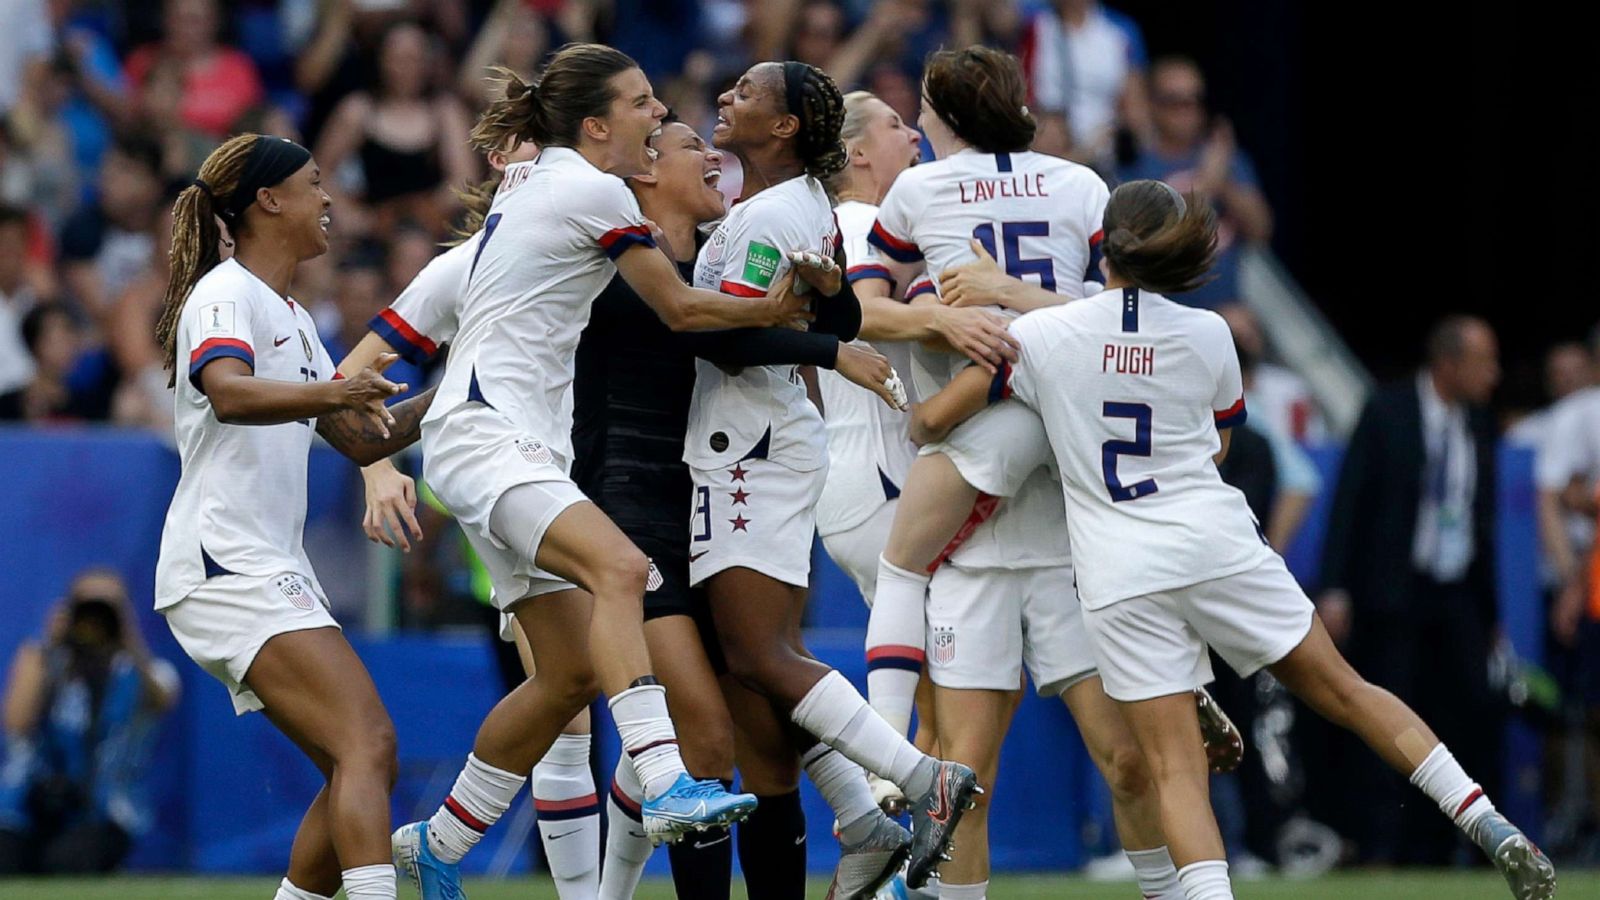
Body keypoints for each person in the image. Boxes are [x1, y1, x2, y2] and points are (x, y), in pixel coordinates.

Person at [910, 179, 1552, 900]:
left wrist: (935, 351)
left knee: (1175, 771)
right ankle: (1483, 814)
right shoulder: (1211, 332)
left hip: (1121, 570)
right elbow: (1215, 442)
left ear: (1104, 250)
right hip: (1217, 542)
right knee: (1346, 688)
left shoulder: (1039, 339)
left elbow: (933, 420)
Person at [387, 43, 823, 900]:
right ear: (596, 129)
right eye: (646, 107)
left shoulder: (538, 215)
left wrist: (365, 436)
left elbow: (391, 343)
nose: (662, 121)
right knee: (626, 584)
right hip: (527, 460)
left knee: (571, 683)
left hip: (545, 461)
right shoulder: (590, 200)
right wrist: (809, 324)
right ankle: (663, 785)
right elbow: (686, 311)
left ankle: (437, 840)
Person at [852, 46, 1236, 900]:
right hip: (1035, 493)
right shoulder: (1078, 184)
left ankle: (878, 754)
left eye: (923, 107)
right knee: (1021, 773)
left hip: (1033, 496)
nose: (917, 125)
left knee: (1046, 767)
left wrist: (948, 327)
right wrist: (995, 323)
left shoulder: (926, 189)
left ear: (946, 112)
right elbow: (1124, 318)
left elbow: (862, 309)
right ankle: (1184, 677)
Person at [685, 57, 982, 900]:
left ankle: (921, 780)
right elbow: (833, 311)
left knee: (756, 654)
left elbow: (737, 336)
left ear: (783, 128)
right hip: (778, 444)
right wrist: (826, 331)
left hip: (743, 448)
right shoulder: (801, 207)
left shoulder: (767, 215)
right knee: (757, 669)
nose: (725, 98)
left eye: (745, 92)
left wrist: (677, 312)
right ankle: (863, 817)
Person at [152, 132, 436, 900]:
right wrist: (333, 393)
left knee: (355, 757)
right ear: (268, 201)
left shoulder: (294, 317)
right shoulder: (226, 292)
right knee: (369, 742)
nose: (330, 198)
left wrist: (467, 382)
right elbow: (230, 390)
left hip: (260, 564)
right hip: (225, 560)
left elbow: (359, 435)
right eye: (316, 183)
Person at [1317, 315, 1504, 865]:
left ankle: (1451, 846)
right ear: (1448, 363)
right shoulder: (1387, 411)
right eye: (1483, 362)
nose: (1494, 375)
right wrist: (1335, 588)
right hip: (1392, 592)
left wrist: (1491, 613)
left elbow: (1480, 517)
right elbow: (1349, 500)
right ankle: (1381, 845)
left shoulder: (1480, 423)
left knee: (1468, 710)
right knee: (1389, 713)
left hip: (1457, 592)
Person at [0, 569, 180, 874]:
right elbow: (16, 723)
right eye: (86, 606)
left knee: (68, 863)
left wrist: (128, 639)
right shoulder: (44, 659)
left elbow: (162, 698)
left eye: (107, 607)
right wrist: (50, 646)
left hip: (100, 814)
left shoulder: (141, 672)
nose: (94, 618)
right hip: (26, 805)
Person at [1117, 57, 1273, 310]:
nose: (1189, 110)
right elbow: (1148, 242)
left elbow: (1261, 230)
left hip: (1227, 316)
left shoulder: (1225, 159)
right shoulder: (1133, 167)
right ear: (1152, 105)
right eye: (1175, 102)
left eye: (1196, 100)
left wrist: (1223, 183)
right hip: (1163, 319)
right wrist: (1207, 183)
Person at [312, 20, 477, 238]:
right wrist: (351, 215)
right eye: (398, 59)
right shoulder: (359, 110)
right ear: (380, 60)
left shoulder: (445, 111)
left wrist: (419, 211)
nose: (407, 68)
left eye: (415, 59)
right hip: (375, 228)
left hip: (433, 226)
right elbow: (320, 171)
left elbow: (464, 180)